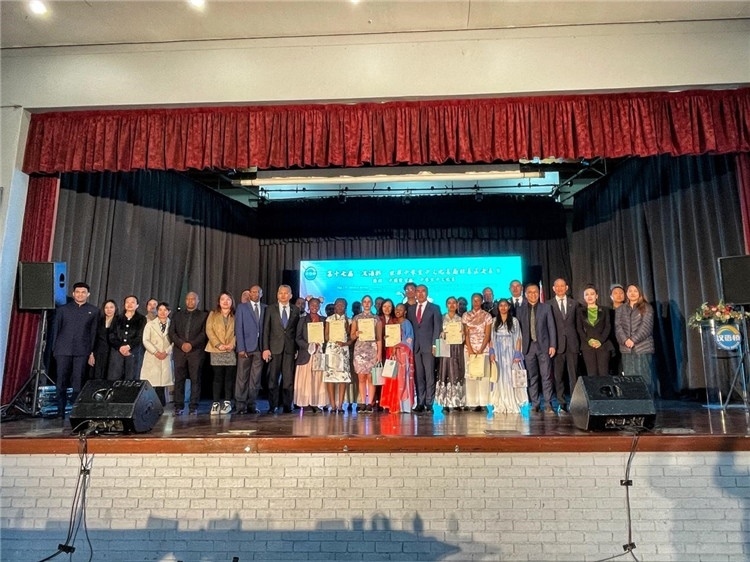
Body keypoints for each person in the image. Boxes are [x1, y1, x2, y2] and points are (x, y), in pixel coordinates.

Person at [52, 282, 99, 417]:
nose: (80, 294)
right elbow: (56, 330)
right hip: (63, 350)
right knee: (61, 380)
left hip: (82, 351)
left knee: (78, 381)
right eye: (77, 292)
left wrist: (91, 352)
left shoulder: (94, 311)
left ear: (88, 294)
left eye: (83, 292)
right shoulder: (63, 310)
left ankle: (75, 411)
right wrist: (54, 349)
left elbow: (94, 333)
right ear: (73, 294)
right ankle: (60, 411)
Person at [517, 283, 557, 413]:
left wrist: (553, 345)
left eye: (535, 292)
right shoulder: (520, 310)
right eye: (530, 292)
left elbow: (551, 327)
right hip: (528, 348)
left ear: (539, 293)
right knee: (531, 377)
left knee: (546, 376)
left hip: (544, 346)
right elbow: (518, 331)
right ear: (525, 294)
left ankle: (548, 404)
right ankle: (535, 403)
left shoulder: (546, 308)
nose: (533, 294)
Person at [262, 284, 300, 413]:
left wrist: (296, 349)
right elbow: (266, 330)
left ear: (291, 295)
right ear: (277, 295)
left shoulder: (296, 309)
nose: (283, 295)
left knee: (288, 379)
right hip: (274, 348)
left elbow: (296, 331)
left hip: (289, 349)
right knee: (273, 379)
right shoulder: (270, 309)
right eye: (281, 293)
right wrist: (265, 348)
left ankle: (287, 405)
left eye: (286, 293)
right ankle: (273, 406)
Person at [168, 292, 208, 415]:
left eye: (193, 299)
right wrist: (181, 344)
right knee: (179, 379)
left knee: (195, 379)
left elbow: (204, 333)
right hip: (179, 351)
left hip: (196, 351)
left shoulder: (204, 315)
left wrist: (191, 344)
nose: (190, 301)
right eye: (188, 299)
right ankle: (178, 406)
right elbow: (172, 333)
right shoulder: (177, 315)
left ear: (198, 301)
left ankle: (193, 406)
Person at [615, 283, 656, 396]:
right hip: (626, 349)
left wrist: (633, 340)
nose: (632, 293)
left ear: (639, 293)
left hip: (642, 348)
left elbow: (646, 327)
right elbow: (618, 327)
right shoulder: (620, 309)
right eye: (630, 291)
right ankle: (633, 401)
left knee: (644, 377)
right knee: (629, 378)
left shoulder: (647, 307)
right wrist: (625, 340)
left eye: (635, 291)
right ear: (626, 293)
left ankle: (646, 401)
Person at [406, 284, 442, 413]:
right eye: (418, 291)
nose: (420, 294)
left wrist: (435, 345)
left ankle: (429, 403)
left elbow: (437, 327)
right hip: (415, 347)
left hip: (429, 347)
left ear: (427, 293)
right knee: (418, 376)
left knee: (430, 375)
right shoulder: (411, 309)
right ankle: (420, 402)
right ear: (415, 293)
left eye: (423, 291)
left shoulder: (434, 308)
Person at [490, 298, 526, 414]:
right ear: (498, 307)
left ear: (509, 307)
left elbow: (518, 338)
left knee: (511, 377)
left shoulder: (514, 321)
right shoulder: (494, 321)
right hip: (498, 352)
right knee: (500, 376)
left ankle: (511, 402)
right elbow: (491, 338)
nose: (503, 307)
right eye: (501, 305)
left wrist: (517, 353)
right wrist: (492, 352)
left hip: (510, 352)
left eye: (505, 305)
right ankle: (501, 403)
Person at [234, 285, 265, 414]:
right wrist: (241, 348)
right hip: (245, 348)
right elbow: (238, 328)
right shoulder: (242, 308)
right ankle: (240, 405)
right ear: (249, 294)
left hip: (259, 348)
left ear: (261, 294)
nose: (255, 294)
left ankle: (252, 403)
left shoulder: (265, 308)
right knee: (242, 377)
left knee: (255, 379)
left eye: (258, 292)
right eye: (253, 292)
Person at [380, 302, 415, 413]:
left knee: (403, 378)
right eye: (396, 309)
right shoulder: (393, 322)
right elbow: (390, 338)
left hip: (403, 355)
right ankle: (394, 405)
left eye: (401, 309)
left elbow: (409, 339)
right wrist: (387, 338)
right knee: (392, 378)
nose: (398, 311)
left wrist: (398, 345)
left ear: (405, 312)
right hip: (392, 354)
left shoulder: (407, 323)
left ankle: (404, 406)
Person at [551, 278, 580, 412]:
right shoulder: (548, 304)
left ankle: (574, 402)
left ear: (567, 287)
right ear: (553, 288)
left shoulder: (575, 304)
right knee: (558, 376)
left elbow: (578, 325)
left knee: (573, 375)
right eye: (557, 286)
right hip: (557, 345)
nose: (560, 288)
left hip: (572, 344)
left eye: (562, 286)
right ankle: (561, 402)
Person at [205, 292, 236, 415]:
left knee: (229, 378)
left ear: (232, 301)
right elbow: (209, 330)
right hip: (216, 349)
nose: (225, 301)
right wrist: (218, 344)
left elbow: (238, 331)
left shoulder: (236, 315)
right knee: (217, 377)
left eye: (228, 299)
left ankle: (227, 402)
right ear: (219, 301)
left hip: (230, 350)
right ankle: (216, 403)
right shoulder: (213, 314)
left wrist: (232, 344)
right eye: (223, 299)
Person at [350, 295, 383, 413]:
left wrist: (379, 353)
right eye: (365, 301)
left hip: (372, 349)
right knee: (361, 377)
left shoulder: (376, 319)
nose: (367, 304)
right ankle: (363, 402)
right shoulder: (357, 318)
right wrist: (356, 334)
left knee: (371, 377)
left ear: (372, 303)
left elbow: (379, 338)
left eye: (369, 301)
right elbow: (352, 336)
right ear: (362, 303)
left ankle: (370, 403)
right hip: (360, 350)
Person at [294, 297, 326, 412]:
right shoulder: (303, 320)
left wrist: (321, 343)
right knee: (306, 379)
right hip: (306, 354)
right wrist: (309, 345)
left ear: (319, 306)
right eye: (312, 305)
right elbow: (298, 338)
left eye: (317, 305)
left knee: (317, 379)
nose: (314, 307)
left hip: (319, 353)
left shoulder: (324, 320)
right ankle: (305, 403)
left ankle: (315, 403)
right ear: (308, 306)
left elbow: (327, 336)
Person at [462, 293, 493, 411]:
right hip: (469, 349)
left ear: (482, 301)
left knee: (483, 376)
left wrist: (481, 349)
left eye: (478, 300)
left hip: (483, 350)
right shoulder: (466, 315)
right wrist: (470, 349)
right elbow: (465, 334)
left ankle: (483, 402)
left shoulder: (487, 316)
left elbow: (487, 334)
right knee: (471, 376)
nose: (476, 303)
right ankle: (472, 402)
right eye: (474, 300)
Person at [435, 296, 466, 412]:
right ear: (446, 305)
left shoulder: (461, 319)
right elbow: (437, 333)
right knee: (445, 372)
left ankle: (457, 402)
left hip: (457, 348)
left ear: (457, 305)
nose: (452, 305)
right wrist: (443, 334)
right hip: (445, 347)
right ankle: (445, 403)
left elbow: (465, 335)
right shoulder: (442, 318)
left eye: (454, 303)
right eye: (449, 303)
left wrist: (462, 334)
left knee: (457, 372)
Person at [140, 302, 173, 406]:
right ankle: (149, 404)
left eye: (165, 310)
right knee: (152, 381)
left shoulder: (172, 324)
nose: (162, 312)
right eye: (160, 310)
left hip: (166, 355)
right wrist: (155, 352)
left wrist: (167, 351)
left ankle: (161, 404)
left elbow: (175, 340)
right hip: (153, 355)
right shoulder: (150, 324)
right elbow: (145, 340)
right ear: (157, 311)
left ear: (169, 312)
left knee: (163, 383)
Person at [108, 294, 147, 382]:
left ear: (137, 305)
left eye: (132, 302)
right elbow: (111, 335)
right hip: (117, 352)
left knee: (131, 378)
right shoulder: (117, 318)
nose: (129, 304)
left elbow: (140, 336)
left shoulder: (142, 319)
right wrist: (120, 347)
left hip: (133, 352)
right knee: (114, 378)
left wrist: (129, 346)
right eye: (127, 302)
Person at [577, 285, 612, 377]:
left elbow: (608, 327)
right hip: (587, 346)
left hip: (603, 345)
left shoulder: (605, 310)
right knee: (592, 374)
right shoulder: (580, 311)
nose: (589, 296)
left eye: (592, 294)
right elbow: (579, 328)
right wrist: (589, 340)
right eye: (587, 294)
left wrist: (600, 341)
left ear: (596, 296)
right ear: (584, 297)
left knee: (604, 373)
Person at [324, 298, 352, 413]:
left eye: (342, 305)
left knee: (342, 378)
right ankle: (333, 405)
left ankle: (340, 405)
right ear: (334, 306)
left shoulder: (349, 320)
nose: (340, 306)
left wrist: (345, 343)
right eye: (338, 304)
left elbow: (351, 338)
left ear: (345, 307)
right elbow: (326, 336)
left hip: (343, 350)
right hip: (331, 349)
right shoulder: (329, 319)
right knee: (330, 377)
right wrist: (333, 338)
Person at [92, 299, 117, 381]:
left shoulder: (119, 321)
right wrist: (91, 353)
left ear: (115, 308)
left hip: (113, 352)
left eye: (111, 307)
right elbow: (93, 337)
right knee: (97, 375)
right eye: (106, 307)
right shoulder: (98, 321)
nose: (109, 310)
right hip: (98, 352)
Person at [609, 283, 626, 375]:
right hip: (613, 343)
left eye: (621, 293)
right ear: (611, 296)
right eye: (615, 293)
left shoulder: (630, 309)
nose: (619, 295)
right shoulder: (607, 311)